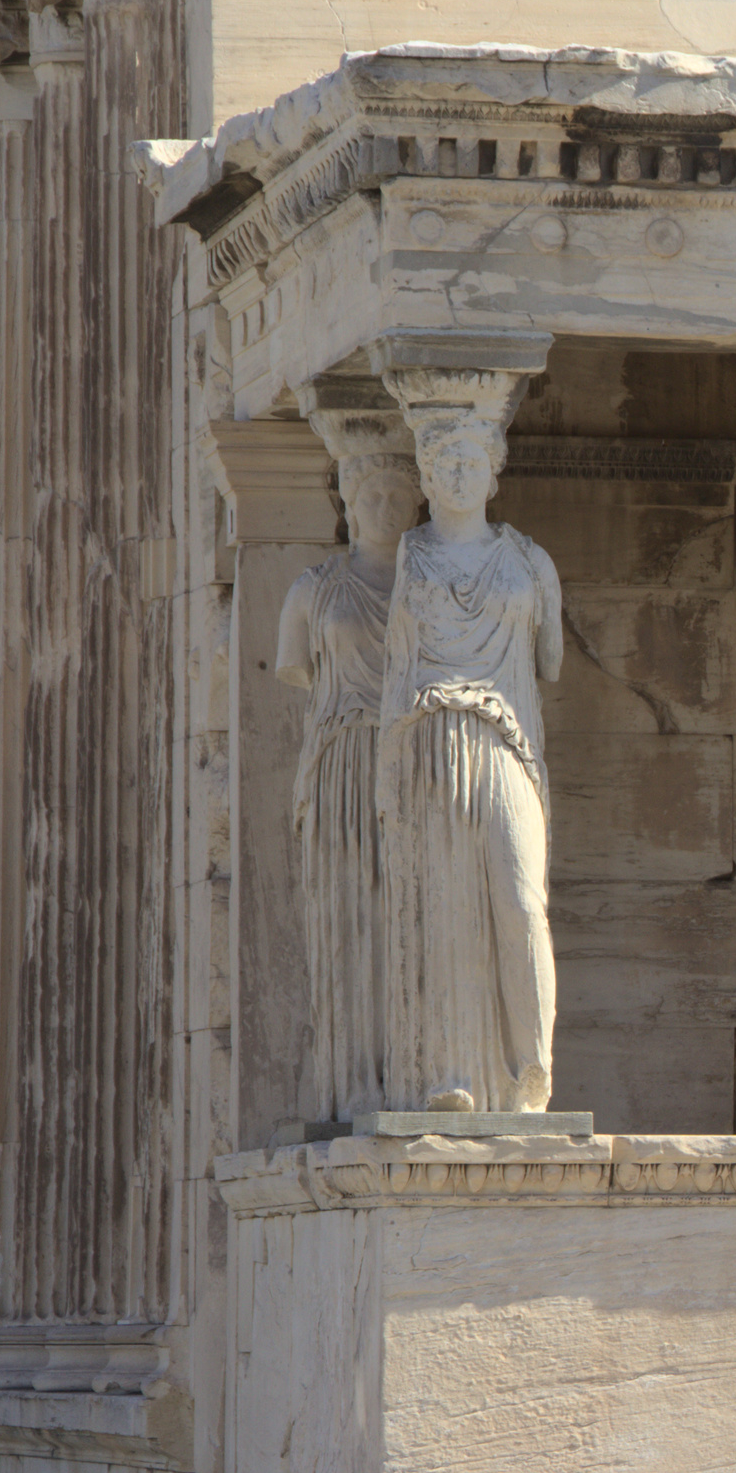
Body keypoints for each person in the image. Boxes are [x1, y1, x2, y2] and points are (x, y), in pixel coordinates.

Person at [377, 406, 563, 1114]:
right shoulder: (412, 555)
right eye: (444, 462)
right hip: (430, 738)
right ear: (425, 477)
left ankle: (533, 1069)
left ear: (493, 473)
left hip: (506, 738)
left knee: (520, 899)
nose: (458, 473)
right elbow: (397, 668)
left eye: (471, 460)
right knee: (444, 903)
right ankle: (449, 1072)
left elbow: (550, 662)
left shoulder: (530, 560)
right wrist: (388, 770)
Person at [274, 439, 419, 1123]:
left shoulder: (432, 585)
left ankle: (417, 1071)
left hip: (414, 757)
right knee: (351, 915)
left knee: (415, 911)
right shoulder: (313, 590)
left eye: (398, 496)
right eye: (371, 496)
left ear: (416, 506)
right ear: (349, 507)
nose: (385, 507)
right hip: (342, 759)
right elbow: (296, 667)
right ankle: (353, 1079)